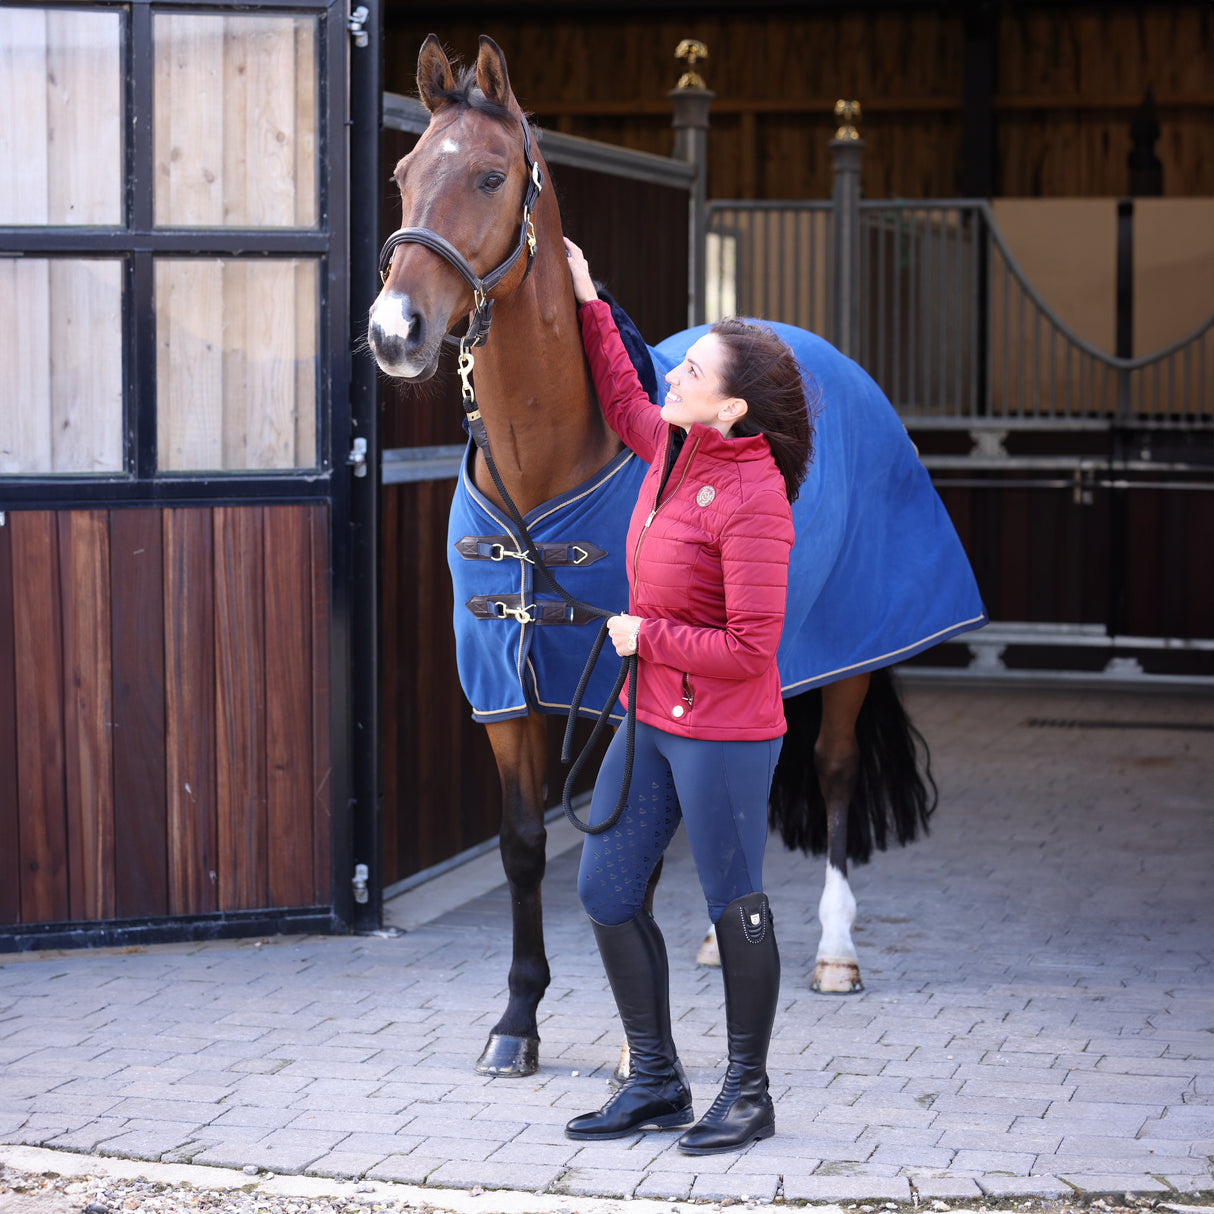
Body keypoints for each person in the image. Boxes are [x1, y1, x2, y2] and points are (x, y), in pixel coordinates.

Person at [562, 237, 814, 1156]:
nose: (675, 372)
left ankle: (748, 1094)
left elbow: (751, 650)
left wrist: (648, 637)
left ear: (732, 406)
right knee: (605, 887)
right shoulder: (671, 446)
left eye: (694, 370)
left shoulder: (755, 501)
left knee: (733, 902)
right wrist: (589, 297)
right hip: (649, 718)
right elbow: (624, 396)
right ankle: (656, 1080)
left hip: (723, 734)